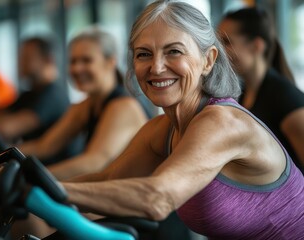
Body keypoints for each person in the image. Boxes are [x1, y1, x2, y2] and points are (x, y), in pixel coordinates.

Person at [55, 1, 304, 239]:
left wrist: (41, 191)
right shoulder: (162, 130)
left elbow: (157, 198)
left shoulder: (222, 123)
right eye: (144, 54)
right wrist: (33, 180)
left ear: (208, 60)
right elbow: (108, 179)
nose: (156, 67)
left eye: (173, 51)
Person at [19, 28, 148, 179]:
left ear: (110, 62)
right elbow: (44, 146)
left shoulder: (124, 106)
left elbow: (95, 163)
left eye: (86, 60)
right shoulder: (86, 106)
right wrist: (2, 155)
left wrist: (30, 178)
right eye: (73, 61)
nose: (77, 68)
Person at [218, 7, 304, 173]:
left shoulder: (285, 98)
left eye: (227, 42)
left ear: (257, 46)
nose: (220, 51)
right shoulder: (240, 94)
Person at [0, 37, 81, 162]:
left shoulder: (53, 95)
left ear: (48, 60)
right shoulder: (30, 93)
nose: (20, 63)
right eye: (21, 57)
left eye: (27, 58)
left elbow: (7, 128)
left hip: (52, 173)